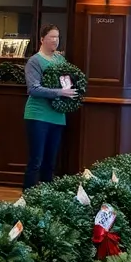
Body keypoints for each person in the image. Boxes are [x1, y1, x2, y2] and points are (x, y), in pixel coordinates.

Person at [23, 24, 77, 190]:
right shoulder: (34, 61)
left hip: (57, 116)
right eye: (52, 37)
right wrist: (60, 92)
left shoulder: (60, 60)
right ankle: (29, 197)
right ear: (42, 39)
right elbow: (33, 89)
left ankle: (46, 199)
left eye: (58, 37)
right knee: (36, 160)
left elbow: (68, 81)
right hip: (37, 115)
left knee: (50, 161)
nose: (55, 40)